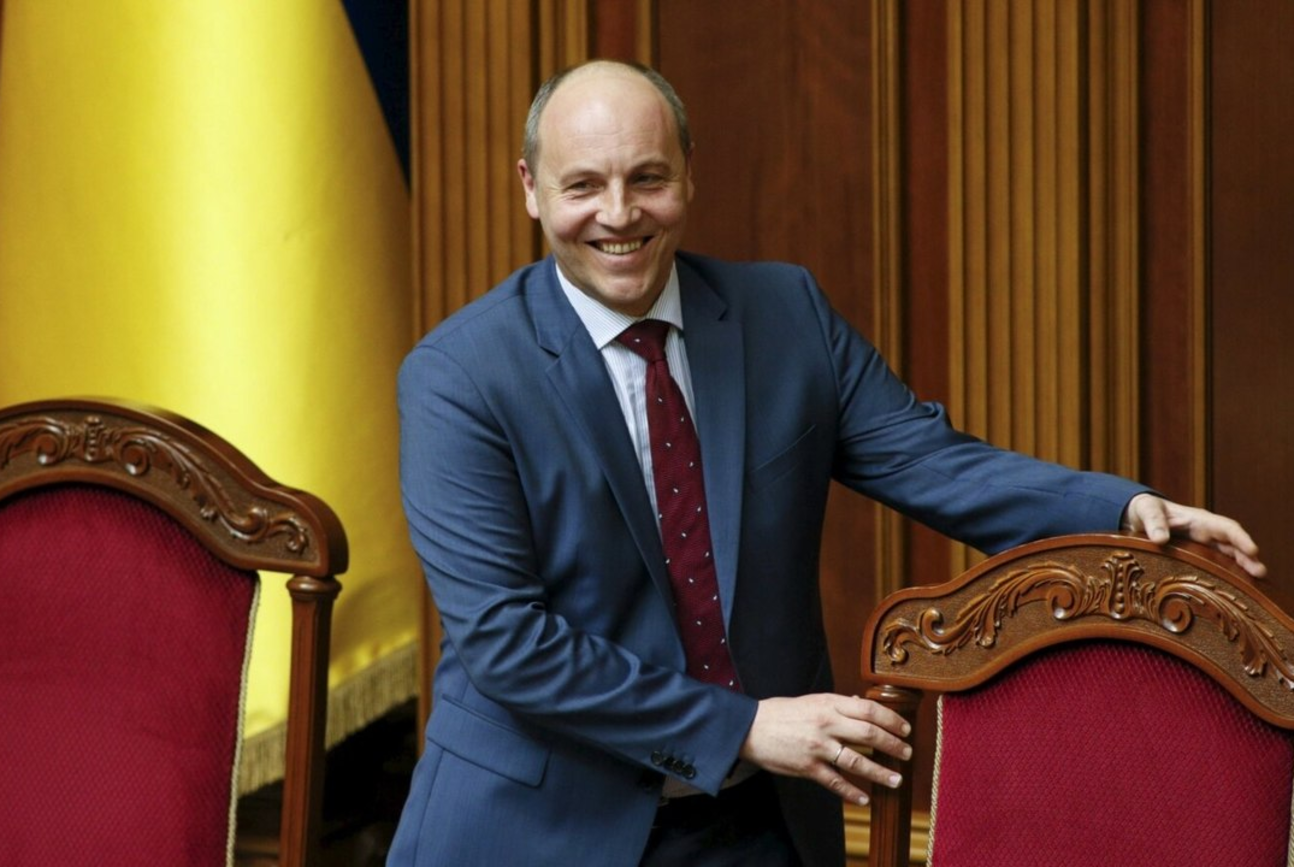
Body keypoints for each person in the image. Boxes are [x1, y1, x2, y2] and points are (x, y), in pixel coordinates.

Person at [387, 60, 1264, 867]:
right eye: (583, 185)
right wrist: (741, 727)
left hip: (762, 822)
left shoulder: (786, 312)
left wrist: (1124, 510)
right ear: (531, 188)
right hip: (538, 826)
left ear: (689, 174)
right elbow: (508, 644)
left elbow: (931, 461)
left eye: (648, 178)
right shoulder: (459, 376)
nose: (619, 214)